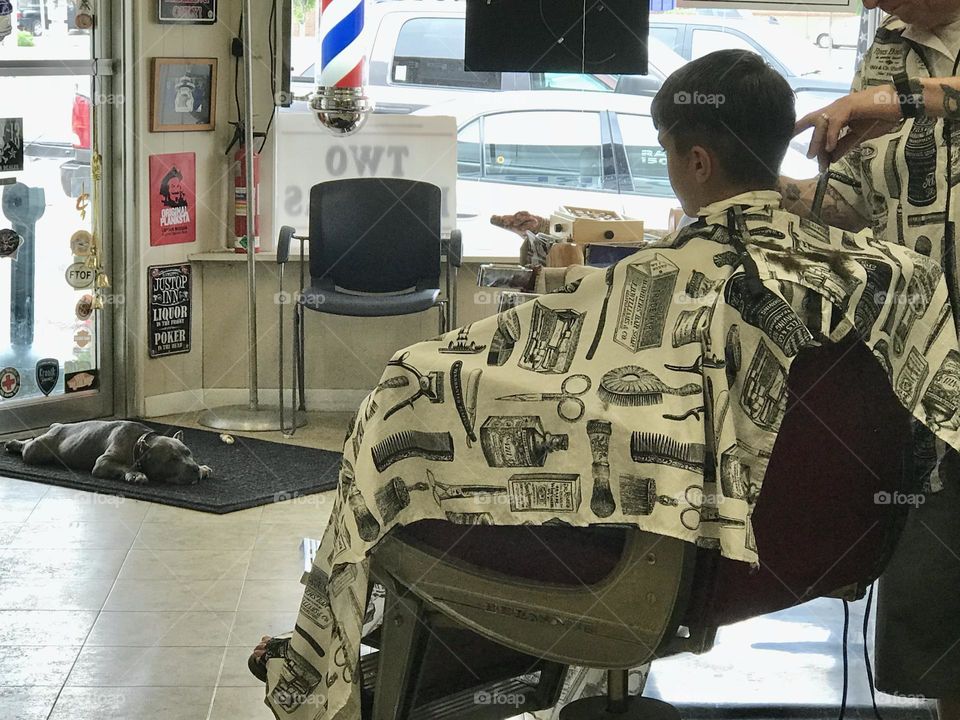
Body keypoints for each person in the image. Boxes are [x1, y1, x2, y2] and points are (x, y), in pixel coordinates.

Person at [251, 50, 960, 720]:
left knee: (408, 469)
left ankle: (324, 666)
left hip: (660, 574)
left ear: (699, 160)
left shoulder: (674, 281)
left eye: (667, 151)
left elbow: (448, 386)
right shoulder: (898, 276)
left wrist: (426, 377)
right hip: (813, 550)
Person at [780, 2, 960, 716]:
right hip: (926, 355)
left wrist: (885, 100)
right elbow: (854, 200)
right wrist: (767, 191)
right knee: (940, 591)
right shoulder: (889, 47)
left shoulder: (889, 82)